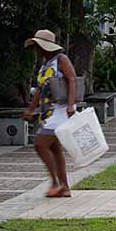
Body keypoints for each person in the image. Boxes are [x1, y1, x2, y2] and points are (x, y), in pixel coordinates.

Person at [22, 29, 77, 198]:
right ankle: (65, 187)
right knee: (55, 148)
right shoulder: (45, 64)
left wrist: (70, 105)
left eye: (38, 46)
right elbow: (39, 89)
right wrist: (31, 109)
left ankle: (55, 182)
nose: (37, 50)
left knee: (40, 144)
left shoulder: (61, 59)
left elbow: (72, 79)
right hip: (47, 111)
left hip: (59, 111)